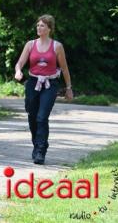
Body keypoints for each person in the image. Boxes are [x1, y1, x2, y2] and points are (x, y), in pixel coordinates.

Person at [14, 14, 73, 165]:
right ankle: (37, 144)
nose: (39, 28)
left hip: (50, 84)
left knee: (42, 117)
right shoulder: (30, 44)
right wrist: (18, 71)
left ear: (49, 29)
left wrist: (68, 88)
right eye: (38, 25)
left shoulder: (57, 46)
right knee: (32, 115)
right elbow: (19, 63)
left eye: (42, 26)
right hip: (33, 82)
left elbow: (65, 69)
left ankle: (40, 151)